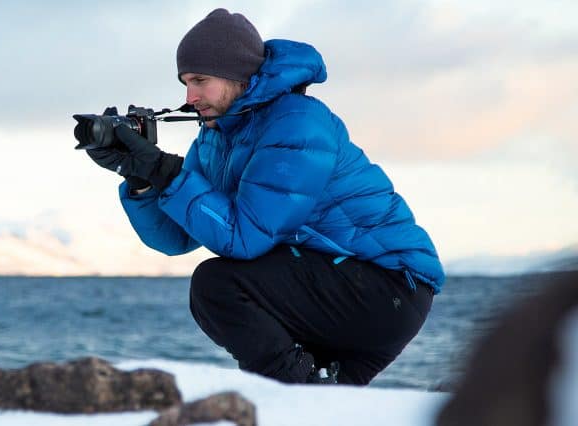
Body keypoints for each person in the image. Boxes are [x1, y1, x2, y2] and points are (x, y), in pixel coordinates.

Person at [80, 8, 444, 385]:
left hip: (387, 288)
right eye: (185, 82)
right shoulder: (216, 136)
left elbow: (244, 237)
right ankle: (305, 393)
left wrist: (165, 172)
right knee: (324, 413)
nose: (189, 97)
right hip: (339, 288)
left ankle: (298, 391)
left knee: (218, 285)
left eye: (200, 80)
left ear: (237, 75)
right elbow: (175, 237)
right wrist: (140, 176)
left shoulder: (297, 123)